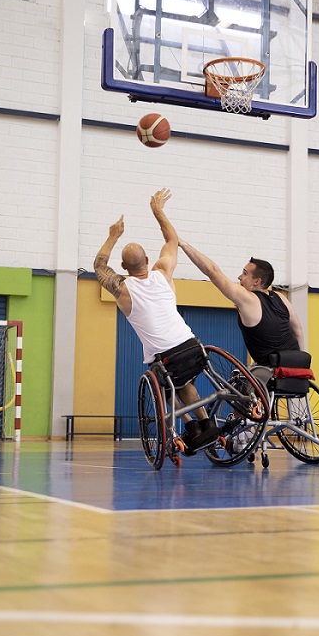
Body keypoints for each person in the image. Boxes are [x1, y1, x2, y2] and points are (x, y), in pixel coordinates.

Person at [93, 189, 220, 451]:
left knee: (164, 387)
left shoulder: (123, 290)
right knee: (184, 382)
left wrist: (113, 235)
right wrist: (158, 211)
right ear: (148, 260)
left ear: (124, 268)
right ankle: (206, 423)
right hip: (192, 347)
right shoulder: (163, 272)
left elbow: (99, 266)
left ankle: (190, 424)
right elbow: (172, 239)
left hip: (165, 359)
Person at [177, 241, 304, 367]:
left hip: (272, 369)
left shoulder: (249, 299)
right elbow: (298, 330)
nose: (239, 277)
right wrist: (303, 361)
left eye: (245, 273)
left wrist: (183, 244)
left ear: (256, 281)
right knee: (250, 369)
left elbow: (212, 271)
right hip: (296, 364)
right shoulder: (281, 297)